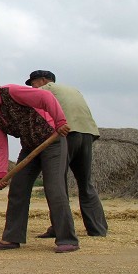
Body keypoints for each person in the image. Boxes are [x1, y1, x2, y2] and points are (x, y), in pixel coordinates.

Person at [0, 68, 79, 253]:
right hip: (30, 147)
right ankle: (12, 237)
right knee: (18, 189)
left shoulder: (12, 92)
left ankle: (67, 239)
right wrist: (1, 173)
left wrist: (60, 122)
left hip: (52, 140)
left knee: (54, 188)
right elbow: (1, 146)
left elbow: (47, 99)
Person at [26, 70, 107, 237]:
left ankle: (60, 229)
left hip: (65, 134)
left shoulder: (45, 90)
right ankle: (98, 229)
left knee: (57, 184)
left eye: (32, 83)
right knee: (86, 184)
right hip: (87, 134)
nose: (32, 88)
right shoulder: (72, 90)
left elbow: (29, 110)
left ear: (42, 80)